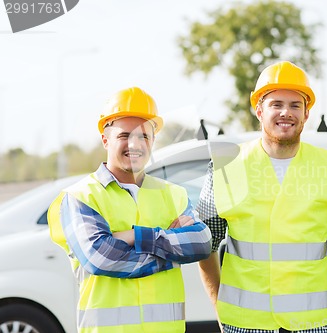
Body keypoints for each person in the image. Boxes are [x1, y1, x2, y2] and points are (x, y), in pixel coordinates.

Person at [197, 61, 327, 333]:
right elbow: (204, 246)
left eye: (295, 105)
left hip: (313, 325)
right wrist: (221, 311)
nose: (286, 113)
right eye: (276, 104)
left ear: (306, 114)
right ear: (259, 110)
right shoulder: (226, 166)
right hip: (243, 325)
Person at [48, 86, 212, 333]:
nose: (134, 144)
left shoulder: (173, 193)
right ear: (105, 139)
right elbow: (103, 258)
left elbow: (201, 243)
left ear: (153, 141)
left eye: (144, 136)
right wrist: (172, 250)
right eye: (124, 135)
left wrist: (134, 236)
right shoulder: (81, 197)